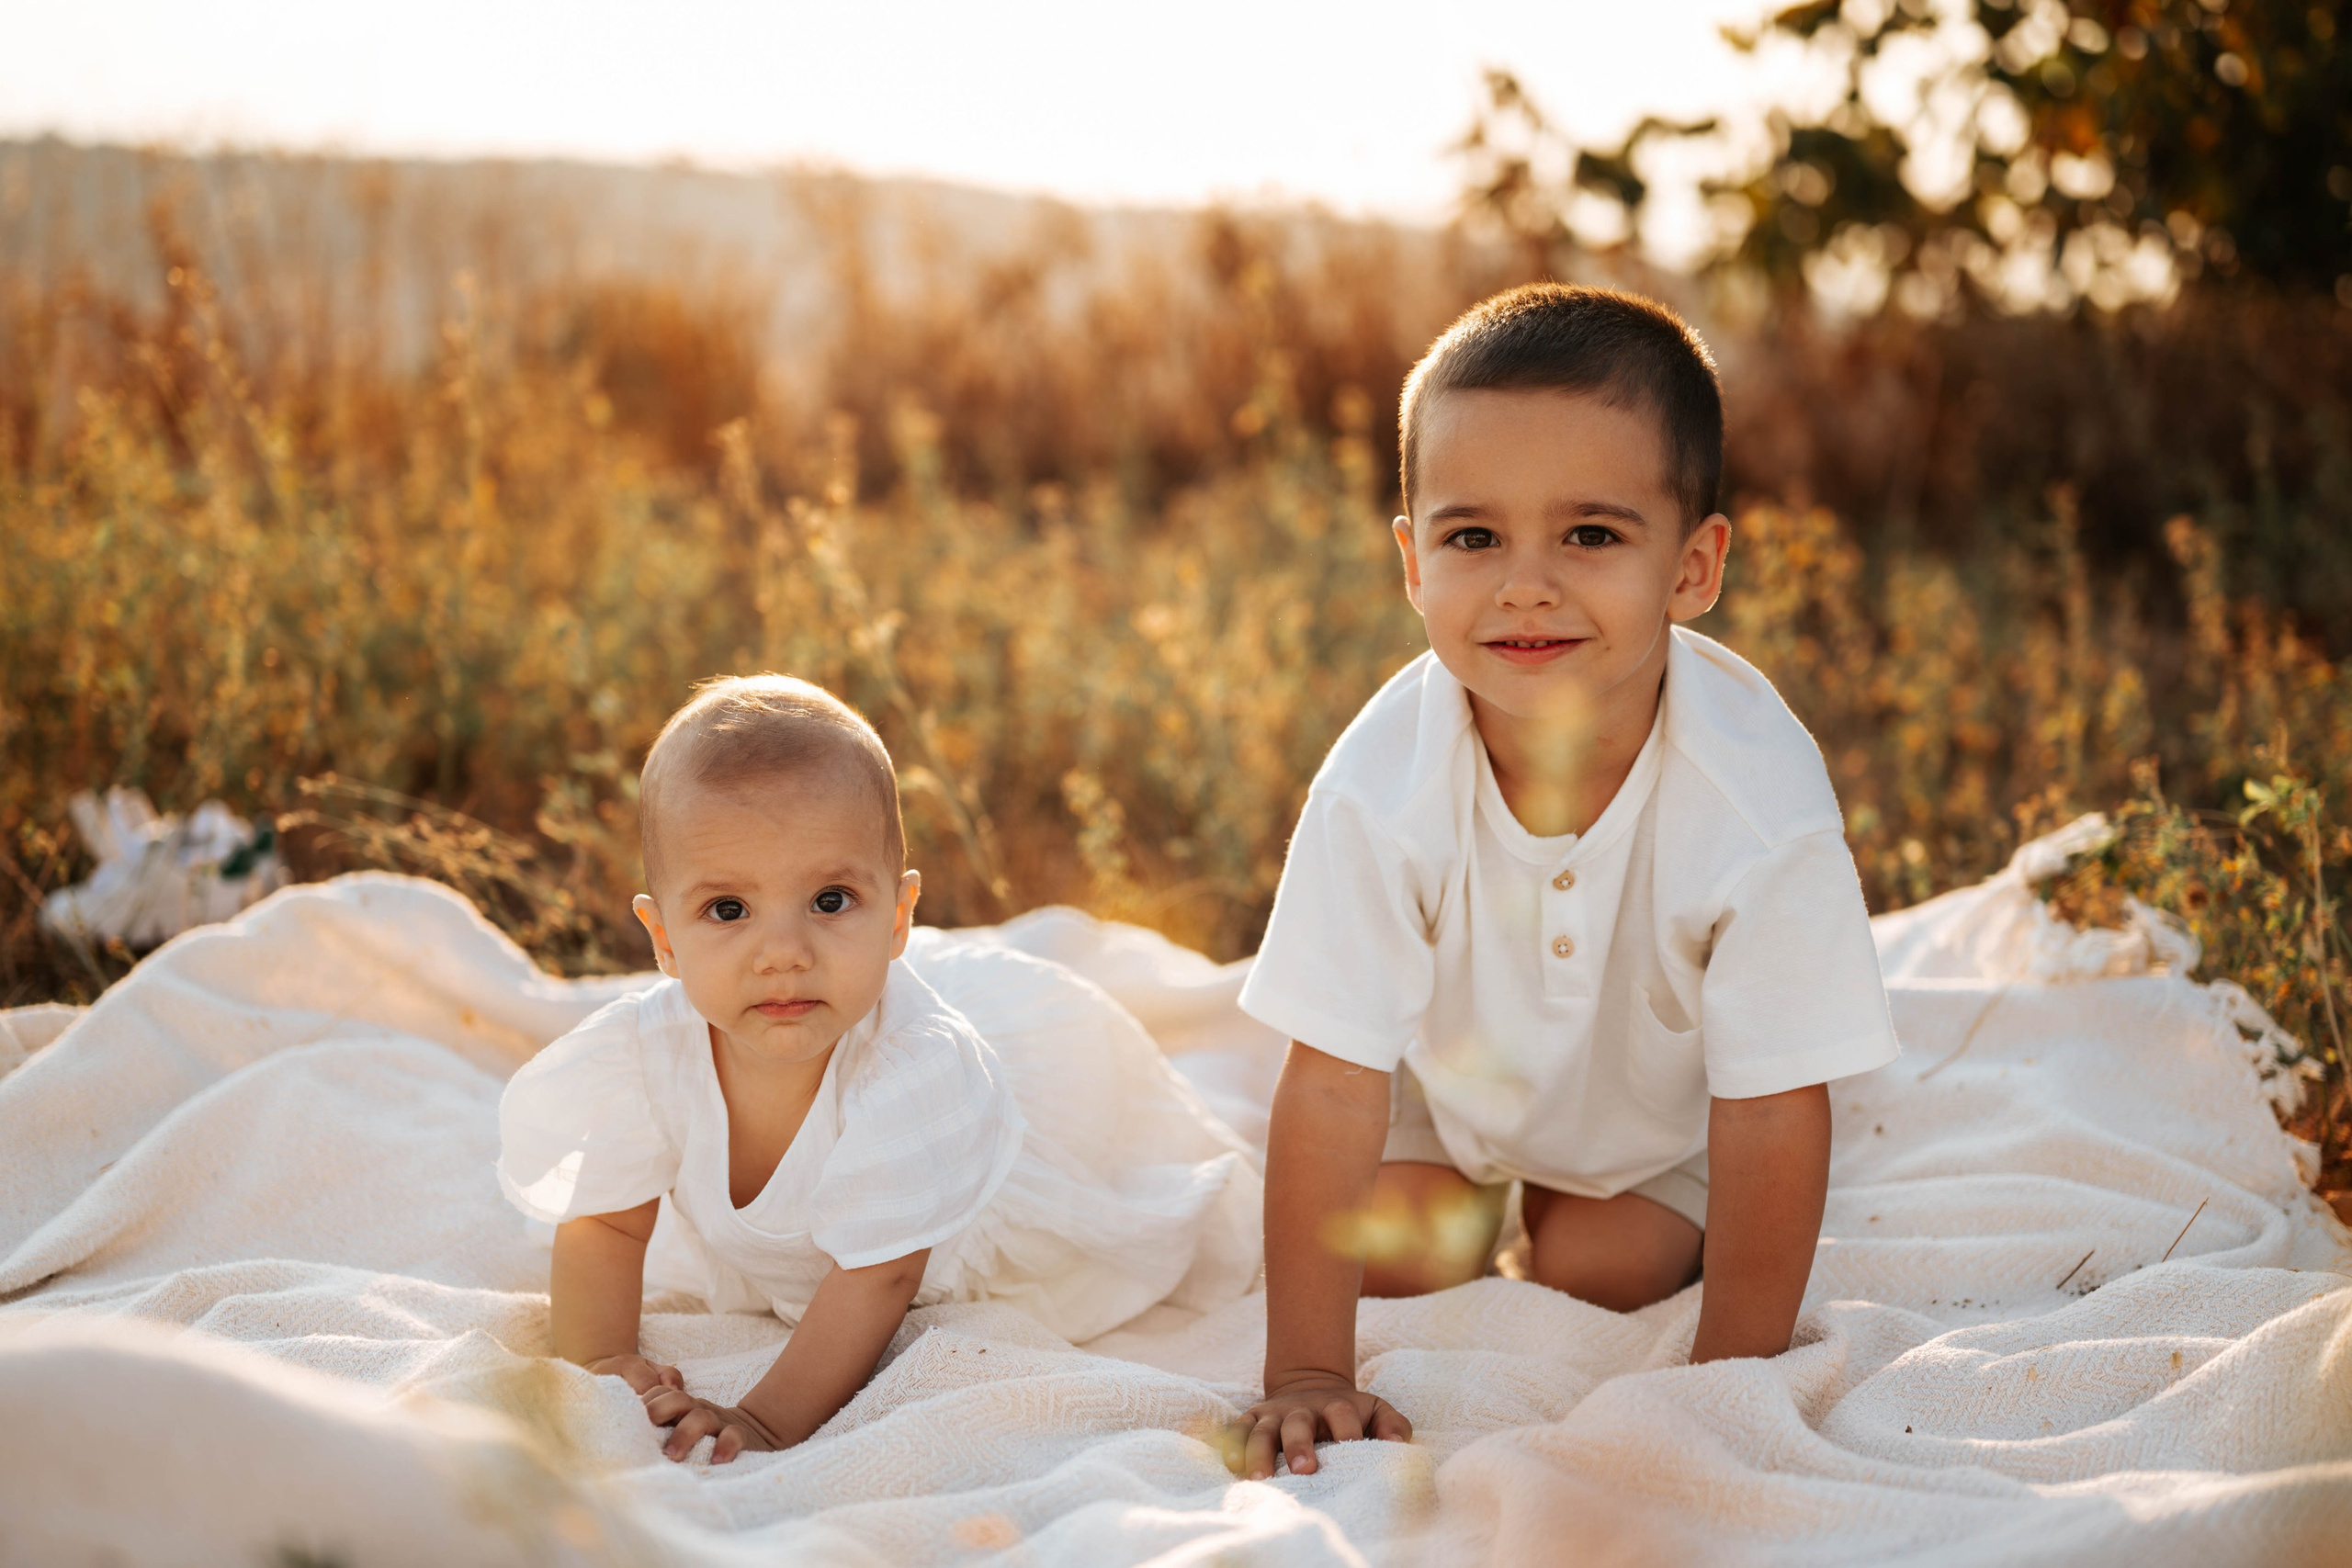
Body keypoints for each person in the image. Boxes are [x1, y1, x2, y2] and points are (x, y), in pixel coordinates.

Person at [1228, 284, 1899, 1481]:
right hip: (1453, 1088)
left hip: (1648, 1121)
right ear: (1412, 562)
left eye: (1589, 535)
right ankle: (1480, 1197)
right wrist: (1306, 1370)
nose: (1525, 584)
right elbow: (1330, 1080)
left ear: (1693, 566)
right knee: (1400, 1257)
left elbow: (1773, 1105)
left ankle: (1574, 1215)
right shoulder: (1379, 785)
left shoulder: (1757, 801)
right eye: (1473, 538)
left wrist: (1725, 1390)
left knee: (1605, 1268)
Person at [497, 676, 1258, 1463]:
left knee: (1134, 1180)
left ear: (897, 917)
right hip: (833, 1227)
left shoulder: (914, 1074)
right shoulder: (642, 1053)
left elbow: (880, 1278)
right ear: (662, 938)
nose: (784, 952)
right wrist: (601, 1357)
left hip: (959, 1223)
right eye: (728, 910)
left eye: (830, 900)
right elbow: (607, 1219)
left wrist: (764, 1419)